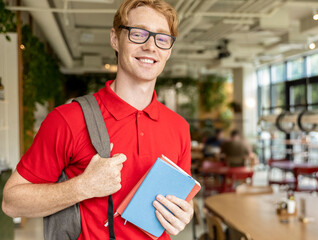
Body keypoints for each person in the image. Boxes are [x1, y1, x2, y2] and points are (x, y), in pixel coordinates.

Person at [2, 0, 194, 239]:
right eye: (138, 34)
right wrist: (83, 187)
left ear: (169, 50)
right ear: (115, 39)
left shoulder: (178, 127)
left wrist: (184, 213)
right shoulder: (68, 119)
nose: (150, 46)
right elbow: (12, 202)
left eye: (162, 38)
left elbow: (178, 199)